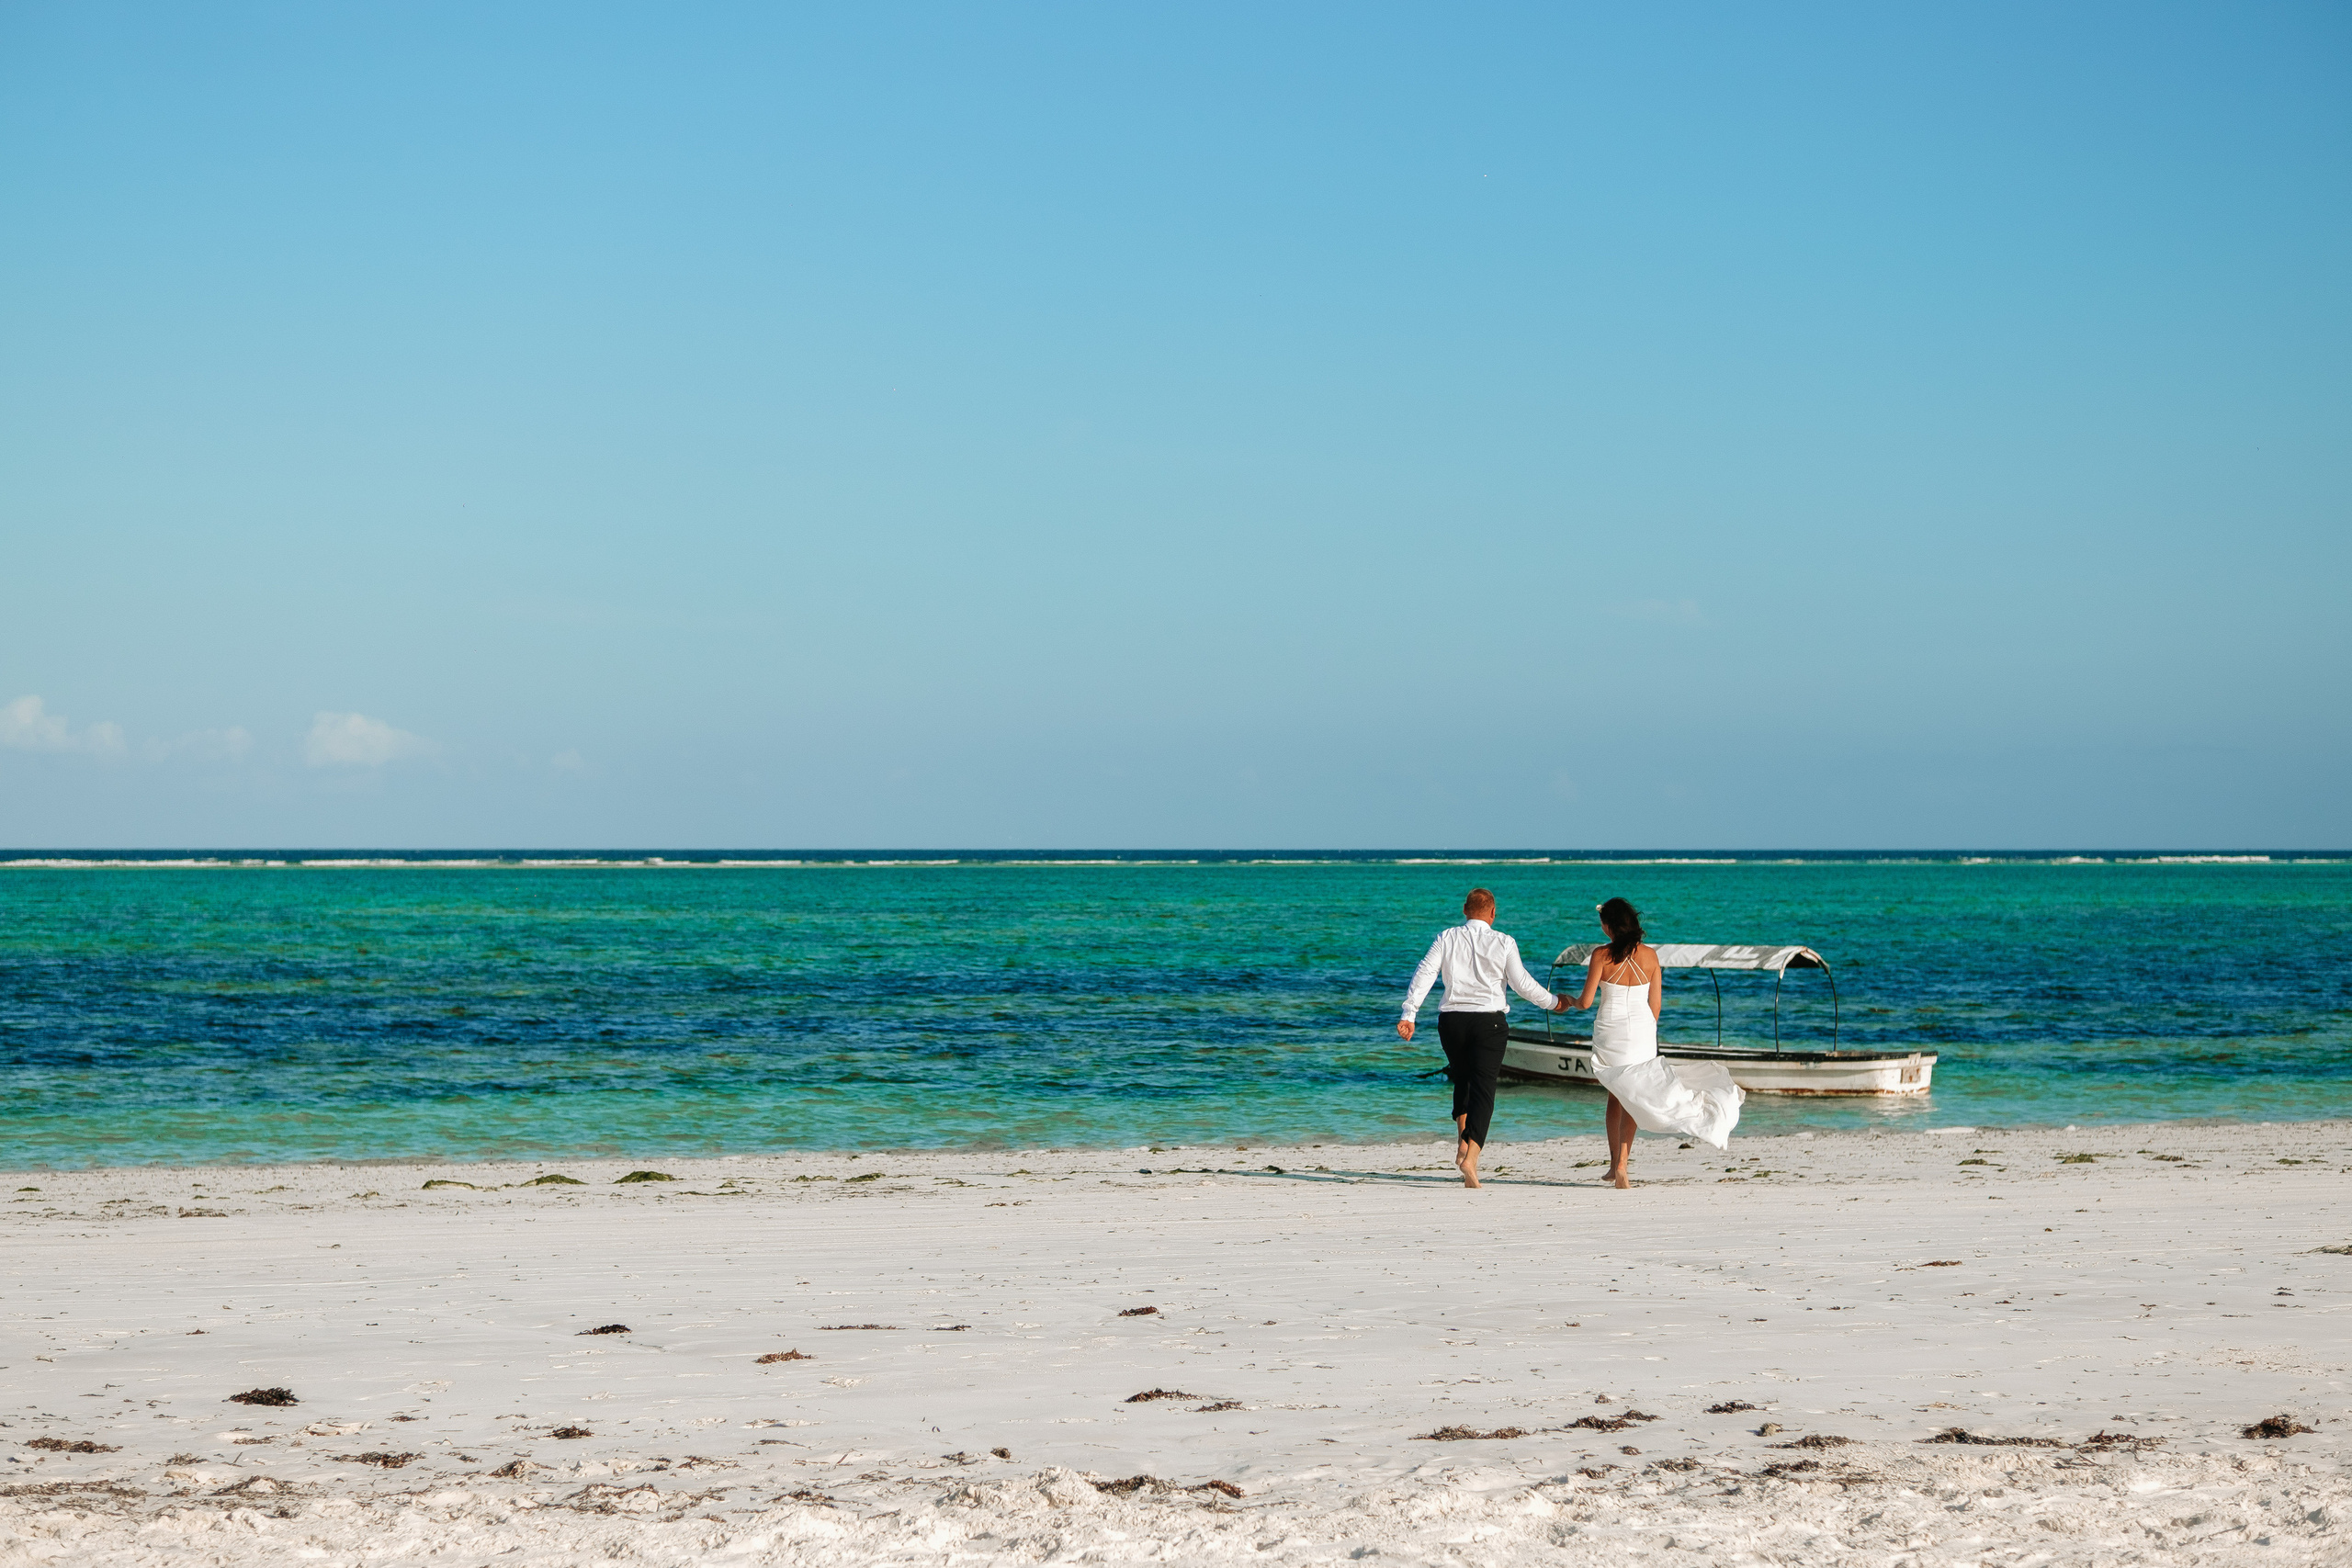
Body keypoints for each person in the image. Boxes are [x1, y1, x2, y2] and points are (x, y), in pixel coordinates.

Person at [1398, 888, 1569, 1188]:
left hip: (1451, 1022)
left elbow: (1424, 973)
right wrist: (1553, 1002)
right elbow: (1522, 984)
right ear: (1493, 914)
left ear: (1465, 909)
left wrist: (1409, 1014)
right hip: (1489, 1023)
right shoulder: (1504, 941)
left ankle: (1463, 1143)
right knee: (1484, 1089)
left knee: (1463, 1079)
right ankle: (1471, 1158)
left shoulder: (1446, 937)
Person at [1568, 897, 1741, 1187]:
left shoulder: (1601, 955)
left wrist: (1568, 1001)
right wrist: (1646, 1031)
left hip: (1611, 1031)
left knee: (1615, 1093)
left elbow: (1585, 1002)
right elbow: (1656, 1006)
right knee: (1634, 1096)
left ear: (1608, 926)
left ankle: (1613, 1166)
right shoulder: (1651, 956)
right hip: (1643, 1031)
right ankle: (1622, 1164)